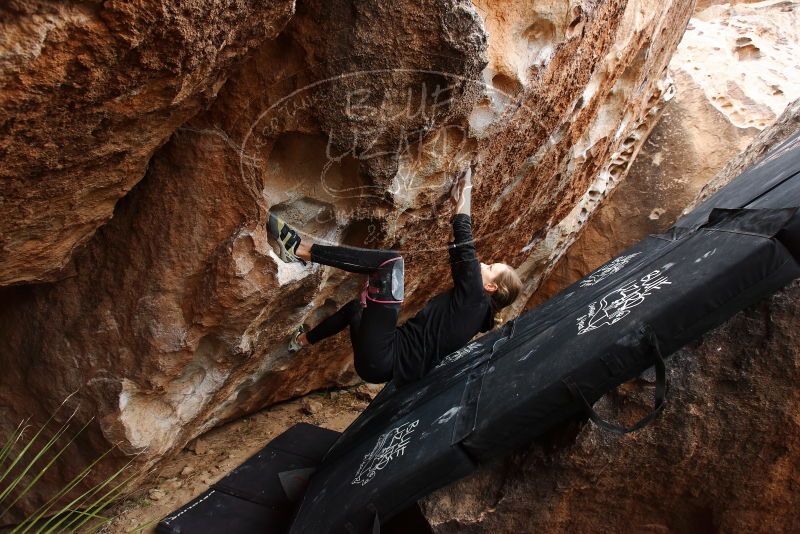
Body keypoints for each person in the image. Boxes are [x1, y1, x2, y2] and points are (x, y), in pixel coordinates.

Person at [267, 163, 522, 386]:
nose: (484, 264)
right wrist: (456, 203)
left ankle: (298, 250)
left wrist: (466, 188)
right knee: (356, 309)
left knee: (391, 263)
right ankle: (301, 341)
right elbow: (457, 250)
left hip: (384, 354)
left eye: (490, 269)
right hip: (376, 367)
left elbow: (465, 242)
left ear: (491, 288)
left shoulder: (476, 300)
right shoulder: (474, 312)